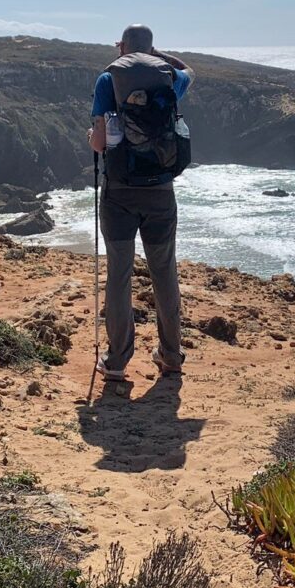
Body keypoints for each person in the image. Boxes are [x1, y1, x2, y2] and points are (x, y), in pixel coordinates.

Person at [87, 24, 194, 381]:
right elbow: (190, 71)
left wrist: (93, 138)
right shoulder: (169, 78)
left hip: (119, 191)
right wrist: (157, 55)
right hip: (161, 191)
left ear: (122, 48)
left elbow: (100, 144)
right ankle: (171, 355)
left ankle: (117, 361)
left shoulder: (108, 80)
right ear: (151, 49)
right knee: (164, 270)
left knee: (119, 273)